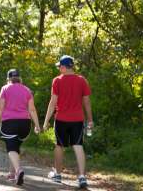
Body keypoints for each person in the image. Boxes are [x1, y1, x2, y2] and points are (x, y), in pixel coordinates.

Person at [42, 55, 93, 188]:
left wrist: (46, 121)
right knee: (78, 145)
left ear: (64, 67)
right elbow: (87, 102)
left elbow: (53, 102)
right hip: (77, 119)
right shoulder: (82, 80)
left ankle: (58, 175)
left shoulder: (57, 81)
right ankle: (82, 177)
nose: (59, 68)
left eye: (60, 66)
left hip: (61, 119)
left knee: (59, 145)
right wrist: (90, 120)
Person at [0, 69, 41, 185]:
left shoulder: (5, 88)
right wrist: (37, 125)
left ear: (8, 78)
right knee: (15, 146)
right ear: (19, 78)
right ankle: (12, 173)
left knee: (11, 148)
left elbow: (0, 108)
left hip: (10, 123)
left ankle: (19, 171)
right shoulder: (27, 90)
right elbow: (32, 109)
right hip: (25, 125)